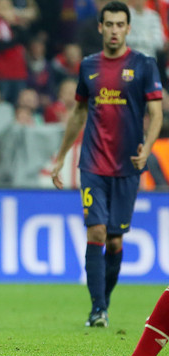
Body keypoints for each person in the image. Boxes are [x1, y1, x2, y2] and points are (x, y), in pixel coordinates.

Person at [50, 1, 163, 327]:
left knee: (115, 240)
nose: (114, 30)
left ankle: (104, 301)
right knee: (96, 231)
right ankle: (98, 308)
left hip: (128, 166)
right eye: (109, 24)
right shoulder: (88, 66)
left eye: (119, 24)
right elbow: (79, 113)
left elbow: (155, 113)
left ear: (128, 28)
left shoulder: (143, 65)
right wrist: (61, 158)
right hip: (94, 164)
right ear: (100, 27)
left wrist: (149, 147)